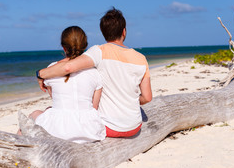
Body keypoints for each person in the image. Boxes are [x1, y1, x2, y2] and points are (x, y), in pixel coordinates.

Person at [37, 8, 152, 137]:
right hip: (134, 126)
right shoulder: (141, 58)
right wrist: (130, 100)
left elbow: (68, 67)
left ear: (103, 33)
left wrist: (41, 74)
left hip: (109, 127)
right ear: (124, 32)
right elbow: (147, 97)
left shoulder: (99, 51)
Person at [31, 26, 105, 143]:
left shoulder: (51, 69)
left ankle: (15, 150)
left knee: (34, 114)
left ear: (63, 47)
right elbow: (94, 107)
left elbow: (55, 99)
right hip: (89, 131)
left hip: (59, 131)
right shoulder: (95, 72)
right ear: (85, 46)